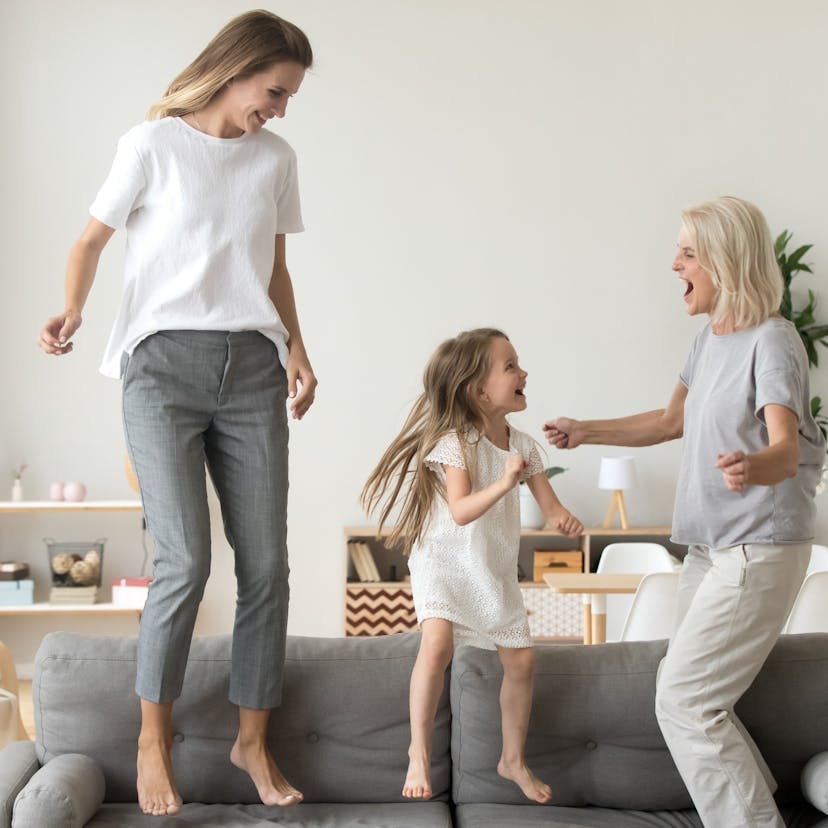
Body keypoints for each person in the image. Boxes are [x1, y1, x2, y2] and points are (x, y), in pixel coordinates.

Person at [37, 10, 317, 817]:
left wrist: (297, 349)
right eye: (275, 91)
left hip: (254, 370)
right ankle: (151, 738)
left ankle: (252, 740)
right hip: (160, 368)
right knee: (184, 561)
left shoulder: (276, 159)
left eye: (291, 96)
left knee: (268, 565)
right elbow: (90, 241)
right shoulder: (151, 145)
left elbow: (275, 269)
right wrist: (72, 310)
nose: (281, 108)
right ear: (236, 70)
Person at [544, 196, 824, 828]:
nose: (675, 265)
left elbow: (785, 448)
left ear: (727, 260)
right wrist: (586, 430)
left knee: (685, 701)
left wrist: (752, 468)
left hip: (759, 547)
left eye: (689, 253)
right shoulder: (708, 341)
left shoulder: (773, 339)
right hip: (709, 548)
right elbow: (669, 421)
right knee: (693, 700)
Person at [362, 328, 583, 804]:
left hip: (491, 566)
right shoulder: (453, 441)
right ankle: (418, 752)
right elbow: (460, 510)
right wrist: (506, 483)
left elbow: (549, 503)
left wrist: (562, 518)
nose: (524, 373)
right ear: (478, 389)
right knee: (437, 644)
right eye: (511, 367)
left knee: (521, 661)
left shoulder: (522, 444)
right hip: (443, 559)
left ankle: (512, 759)